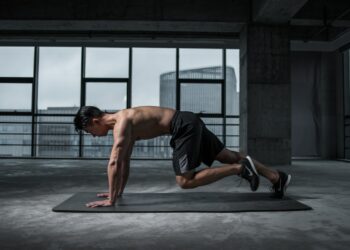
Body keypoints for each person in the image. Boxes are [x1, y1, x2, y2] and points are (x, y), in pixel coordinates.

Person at [73, 106, 291, 208]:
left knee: (185, 181)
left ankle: (240, 169)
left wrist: (111, 200)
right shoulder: (124, 122)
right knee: (228, 155)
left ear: (93, 121)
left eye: (89, 132)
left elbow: (113, 162)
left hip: (182, 126)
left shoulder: (121, 124)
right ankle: (276, 177)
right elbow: (124, 161)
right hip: (188, 120)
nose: (92, 136)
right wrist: (117, 192)